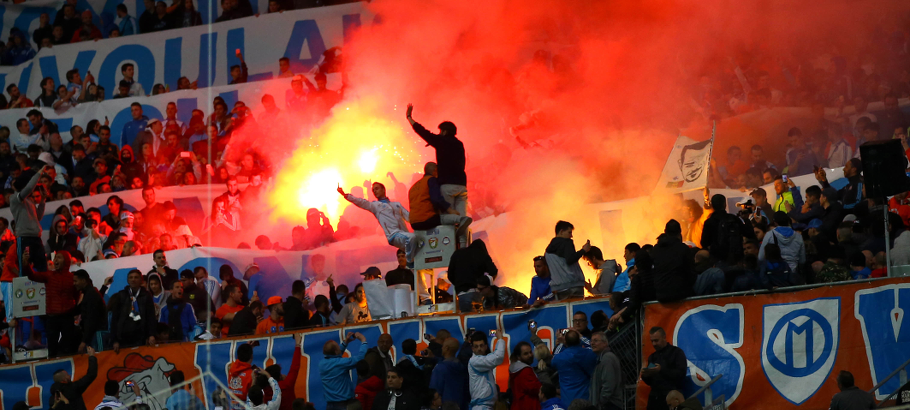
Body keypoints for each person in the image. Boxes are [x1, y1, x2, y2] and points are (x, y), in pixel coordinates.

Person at [406, 104, 468, 216]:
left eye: (440, 131)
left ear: (444, 131)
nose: (439, 133)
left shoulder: (441, 141)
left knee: (447, 218)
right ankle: (463, 228)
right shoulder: (459, 144)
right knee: (462, 217)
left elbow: (423, 132)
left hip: (447, 184)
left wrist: (409, 117)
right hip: (462, 184)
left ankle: (453, 226)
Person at [339, 182, 416, 262]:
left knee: (419, 241)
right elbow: (361, 202)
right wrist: (345, 195)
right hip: (394, 235)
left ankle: (412, 264)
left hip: (404, 235)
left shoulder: (396, 204)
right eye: (373, 190)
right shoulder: (375, 206)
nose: (374, 191)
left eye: (376, 189)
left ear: (383, 190)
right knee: (412, 239)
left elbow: (410, 218)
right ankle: (411, 263)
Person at [22, 249, 76, 357]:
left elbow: (77, 295)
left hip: (67, 317)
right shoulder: (49, 275)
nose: (56, 260)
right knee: (52, 347)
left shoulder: (72, 278)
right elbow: (32, 275)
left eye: (59, 257)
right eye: (55, 258)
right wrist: (26, 264)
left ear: (66, 261)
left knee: (68, 347)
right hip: (52, 318)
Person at [407, 161, 472, 240]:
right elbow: (436, 199)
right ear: (435, 171)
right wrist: (450, 210)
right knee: (445, 218)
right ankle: (461, 220)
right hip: (427, 219)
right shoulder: (431, 180)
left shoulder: (413, 187)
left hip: (414, 224)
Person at [12, 167, 50, 272]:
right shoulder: (15, 198)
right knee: (26, 269)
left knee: (42, 269)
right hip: (25, 238)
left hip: (36, 238)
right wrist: (39, 173)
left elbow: (38, 217)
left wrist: (43, 200)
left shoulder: (29, 200)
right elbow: (28, 188)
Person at [109, 270, 157, 353]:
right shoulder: (121, 295)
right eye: (131, 278)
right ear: (127, 280)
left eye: (136, 277)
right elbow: (115, 318)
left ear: (141, 280)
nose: (133, 280)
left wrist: (151, 334)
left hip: (141, 336)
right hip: (123, 336)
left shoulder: (146, 295)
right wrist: (115, 340)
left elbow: (151, 317)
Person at [641, 327, 687, 410]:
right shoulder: (652, 357)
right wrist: (645, 375)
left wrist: (661, 370)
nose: (654, 344)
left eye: (656, 340)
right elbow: (651, 381)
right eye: (652, 341)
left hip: (671, 396)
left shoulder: (676, 353)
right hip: (655, 398)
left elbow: (681, 374)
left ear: (664, 337)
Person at [650, 220, 696, 303]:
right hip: (681, 294)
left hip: (660, 295)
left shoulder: (655, 249)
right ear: (680, 232)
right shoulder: (683, 249)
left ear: (665, 232)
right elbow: (692, 274)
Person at [320, 332, 368, 410]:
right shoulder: (341, 363)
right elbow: (360, 359)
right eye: (338, 347)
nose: (340, 347)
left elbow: (335, 356)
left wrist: (345, 343)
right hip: (344, 405)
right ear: (336, 351)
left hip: (330, 405)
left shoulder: (321, 364)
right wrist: (363, 340)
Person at [544, 220, 591, 300]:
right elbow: (570, 259)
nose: (571, 236)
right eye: (569, 232)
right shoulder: (567, 242)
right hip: (573, 286)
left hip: (559, 289)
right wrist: (583, 250)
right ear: (561, 231)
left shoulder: (548, 250)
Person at [448, 239, 498, 312]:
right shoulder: (482, 254)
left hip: (463, 294)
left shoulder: (457, 254)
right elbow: (494, 271)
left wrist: (460, 284)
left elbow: (450, 275)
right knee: (480, 320)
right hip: (479, 294)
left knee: (467, 320)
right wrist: (484, 282)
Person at [550, 330, 597, 408]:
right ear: (579, 340)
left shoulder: (559, 358)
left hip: (568, 400)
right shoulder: (589, 353)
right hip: (585, 397)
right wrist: (582, 337)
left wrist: (561, 343)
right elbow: (593, 346)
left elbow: (553, 360)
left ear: (566, 341)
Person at [468, 329, 505, 410]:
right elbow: (498, 357)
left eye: (481, 345)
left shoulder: (483, 361)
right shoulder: (475, 361)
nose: (479, 349)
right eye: (476, 346)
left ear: (486, 346)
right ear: (472, 348)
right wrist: (500, 339)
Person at [429, 338, 469, 409]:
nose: (441, 348)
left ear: (446, 348)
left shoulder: (440, 368)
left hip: (443, 406)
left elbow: (434, 391)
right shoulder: (462, 368)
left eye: (443, 346)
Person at [73, 270, 106, 353]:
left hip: (96, 335)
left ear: (83, 280)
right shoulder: (88, 293)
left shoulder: (91, 295)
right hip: (93, 334)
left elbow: (91, 319)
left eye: (75, 281)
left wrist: (84, 341)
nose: (74, 284)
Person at [589, 332, 622, 410]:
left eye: (596, 341)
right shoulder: (603, 358)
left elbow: (608, 383)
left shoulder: (607, 358)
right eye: (591, 341)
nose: (592, 343)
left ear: (605, 343)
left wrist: (601, 401)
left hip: (609, 405)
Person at [508, 341, 541, 410]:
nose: (530, 355)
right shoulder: (525, 370)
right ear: (518, 357)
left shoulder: (514, 370)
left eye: (530, 352)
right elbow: (535, 388)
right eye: (526, 354)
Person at [229, 343, 257, 409]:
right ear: (251, 356)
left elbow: (238, 360)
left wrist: (246, 348)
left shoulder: (232, 369)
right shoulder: (252, 375)